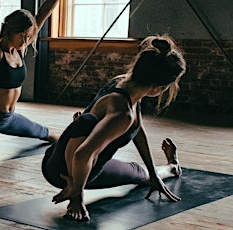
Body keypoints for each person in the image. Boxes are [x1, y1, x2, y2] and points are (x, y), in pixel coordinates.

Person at [41, 35, 186, 221]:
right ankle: (172, 168)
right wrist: (76, 195)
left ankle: (165, 170)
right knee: (137, 173)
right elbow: (82, 155)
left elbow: (137, 129)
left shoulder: (125, 85)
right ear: (159, 87)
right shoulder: (122, 114)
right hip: (65, 172)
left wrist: (152, 172)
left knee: (141, 172)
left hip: (57, 155)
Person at [0, 0, 60, 161]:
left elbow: (43, 14)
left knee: (49, 136)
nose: (25, 40)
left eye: (28, 36)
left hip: (8, 118)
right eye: (22, 35)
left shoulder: (20, 49)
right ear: (10, 31)